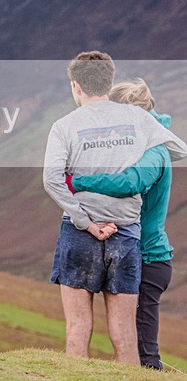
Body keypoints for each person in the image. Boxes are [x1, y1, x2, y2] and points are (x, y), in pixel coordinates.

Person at [42, 51, 187, 364]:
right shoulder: (136, 122)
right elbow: (180, 148)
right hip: (126, 234)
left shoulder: (65, 125)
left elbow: (54, 179)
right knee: (124, 333)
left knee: (78, 326)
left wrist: (85, 213)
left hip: (83, 231)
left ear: (75, 85)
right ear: (108, 81)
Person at [66, 79, 174, 370]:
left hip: (149, 259)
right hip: (135, 253)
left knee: (145, 357)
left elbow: (130, 183)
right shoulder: (134, 147)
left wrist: (76, 181)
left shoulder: (155, 151)